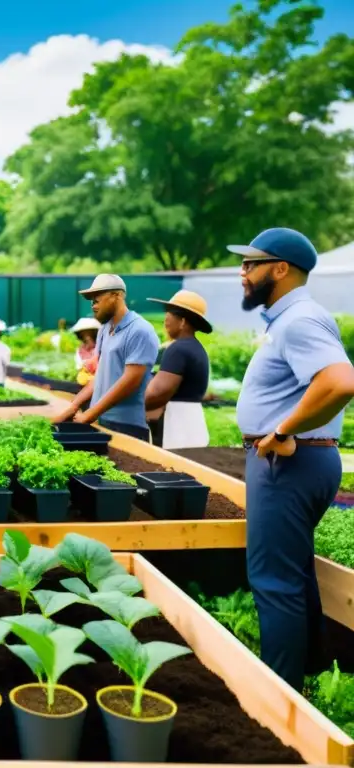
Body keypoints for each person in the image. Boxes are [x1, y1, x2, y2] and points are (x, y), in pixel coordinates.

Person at [230, 227, 354, 691]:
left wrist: (282, 430)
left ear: (280, 269)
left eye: (250, 264)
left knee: (273, 581)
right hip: (299, 462)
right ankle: (307, 675)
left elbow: (340, 381)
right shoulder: (290, 319)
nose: (242, 273)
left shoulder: (299, 318)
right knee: (294, 573)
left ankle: (277, 698)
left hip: (288, 463)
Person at [53, 274, 159, 440]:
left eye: (97, 300)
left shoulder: (140, 331)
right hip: (103, 420)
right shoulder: (104, 329)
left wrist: (88, 415)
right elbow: (100, 376)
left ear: (116, 296)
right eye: (91, 301)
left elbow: (130, 382)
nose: (93, 305)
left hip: (129, 426)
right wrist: (74, 406)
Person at [144, 290, 212, 449]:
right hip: (193, 424)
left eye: (170, 314)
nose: (165, 319)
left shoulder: (178, 349)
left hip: (178, 427)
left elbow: (156, 393)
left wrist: (126, 405)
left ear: (183, 321)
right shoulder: (196, 348)